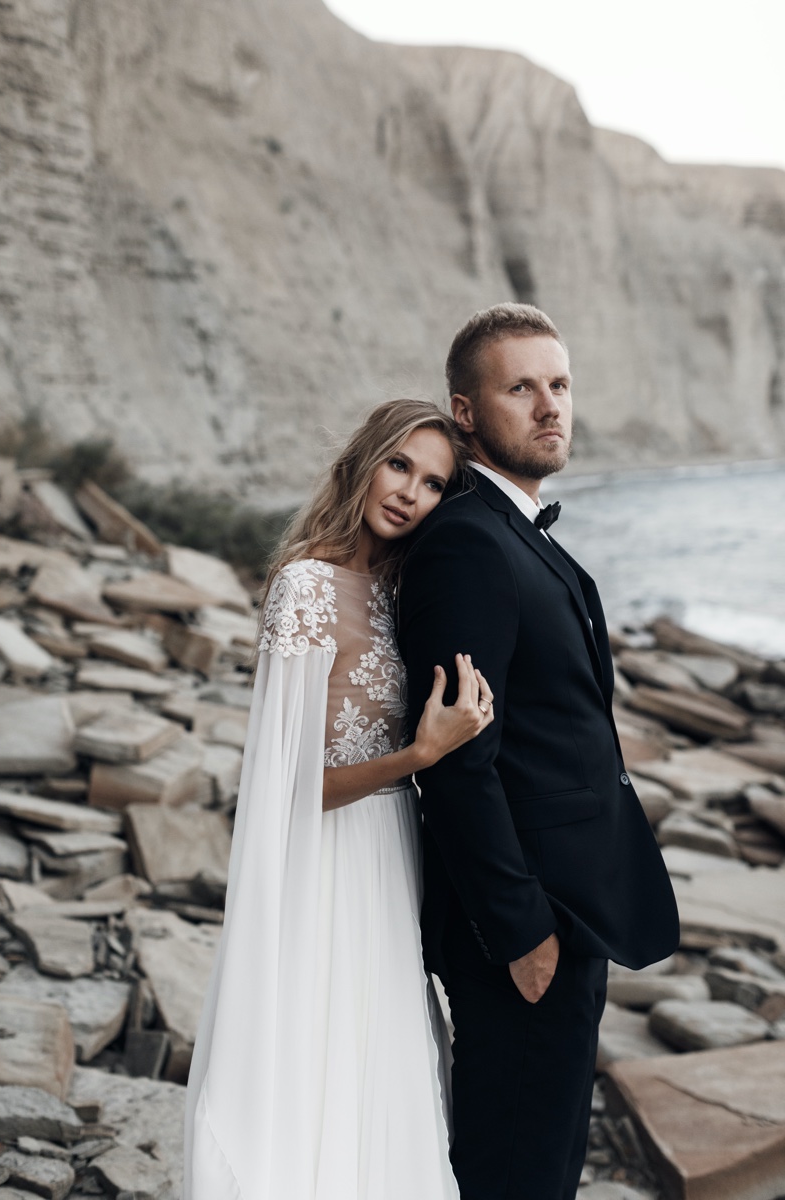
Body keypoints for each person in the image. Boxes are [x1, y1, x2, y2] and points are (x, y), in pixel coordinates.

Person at [397, 303, 680, 1200]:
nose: (549, 405)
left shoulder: (512, 530)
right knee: (515, 1168)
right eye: (520, 388)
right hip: (525, 921)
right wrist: (520, 933)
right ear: (467, 412)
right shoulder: (469, 546)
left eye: (558, 384)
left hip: (570, 904)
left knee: (550, 1156)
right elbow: (455, 758)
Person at [183, 398, 495, 1200]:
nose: (409, 494)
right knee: (319, 1047)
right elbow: (286, 789)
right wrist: (422, 752)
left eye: (432, 484)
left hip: (393, 850)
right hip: (327, 854)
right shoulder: (305, 588)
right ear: (363, 459)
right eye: (399, 466)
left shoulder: (395, 592)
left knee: (380, 1050)